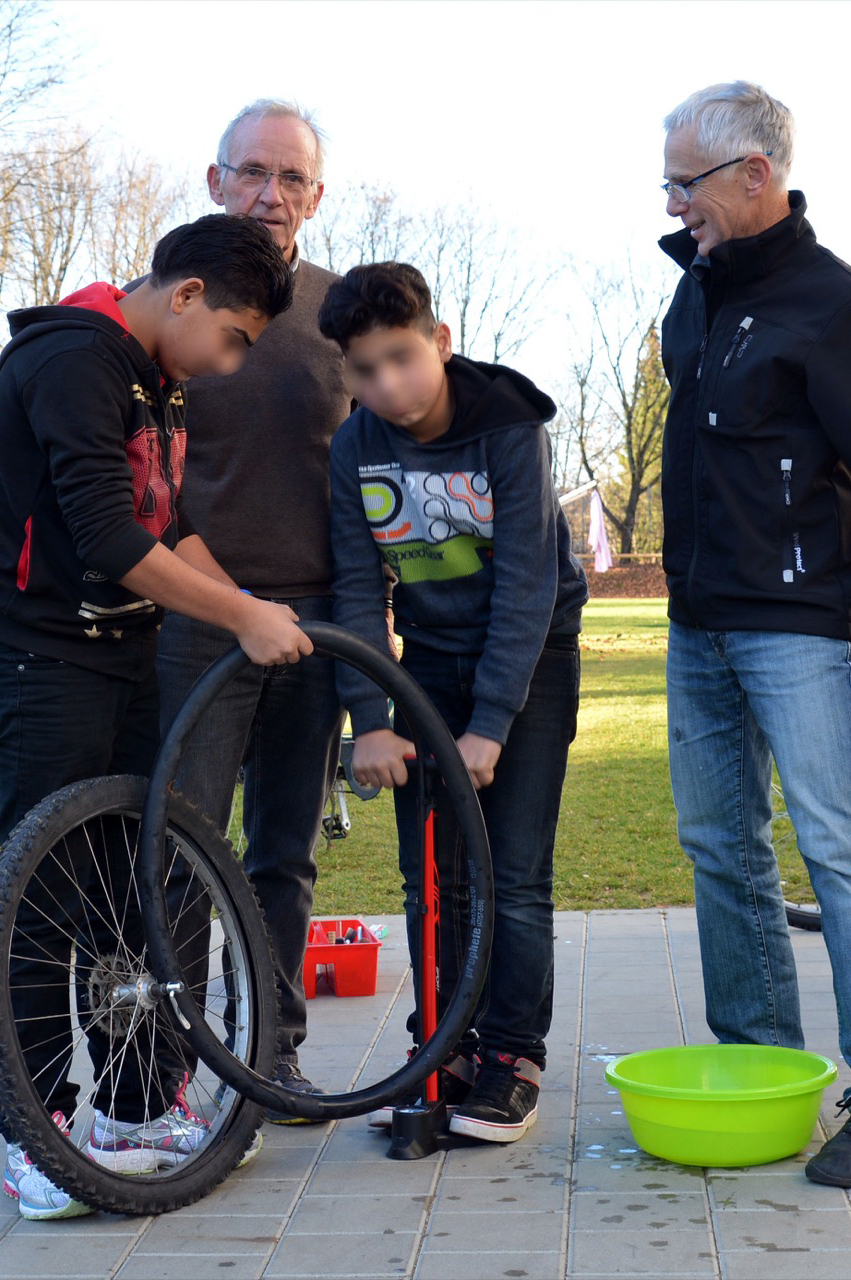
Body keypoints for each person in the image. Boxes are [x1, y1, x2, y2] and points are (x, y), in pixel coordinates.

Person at [0, 214, 313, 1220]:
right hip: (40, 663)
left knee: (127, 887)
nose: (227, 365)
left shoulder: (152, 378)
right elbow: (104, 529)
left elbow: (167, 522)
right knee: (35, 900)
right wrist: (241, 617)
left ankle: (134, 1111)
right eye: (230, 338)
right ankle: (29, 1131)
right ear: (184, 297)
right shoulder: (70, 360)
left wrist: (253, 614)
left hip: (126, 660)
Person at [319, 262, 587, 1143]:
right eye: (363, 369)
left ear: (438, 342)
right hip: (426, 659)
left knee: (510, 872)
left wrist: (489, 726)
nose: (386, 386)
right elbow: (357, 589)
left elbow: (524, 586)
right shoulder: (355, 447)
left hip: (529, 656)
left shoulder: (506, 425)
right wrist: (374, 719)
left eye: (400, 358)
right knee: (430, 876)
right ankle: (445, 1043)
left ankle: (511, 1055)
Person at [659, 81, 851, 1186]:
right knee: (718, 845)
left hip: (799, 628)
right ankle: (760, 1065)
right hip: (696, 624)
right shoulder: (693, 296)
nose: (672, 201)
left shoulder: (828, 304)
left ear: (751, 175)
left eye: (684, 182)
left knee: (833, 845)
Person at [155, 101, 350, 1119]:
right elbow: (141, 482)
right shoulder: (176, 305)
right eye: (253, 173)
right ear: (214, 179)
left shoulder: (340, 314)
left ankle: (270, 1056)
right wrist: (223, 603)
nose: (270, 195)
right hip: (197, 618)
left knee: (284, 852)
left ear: (315, 196)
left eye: (290, 179)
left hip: (317, 622)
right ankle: (175, 1067)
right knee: (183, 840)